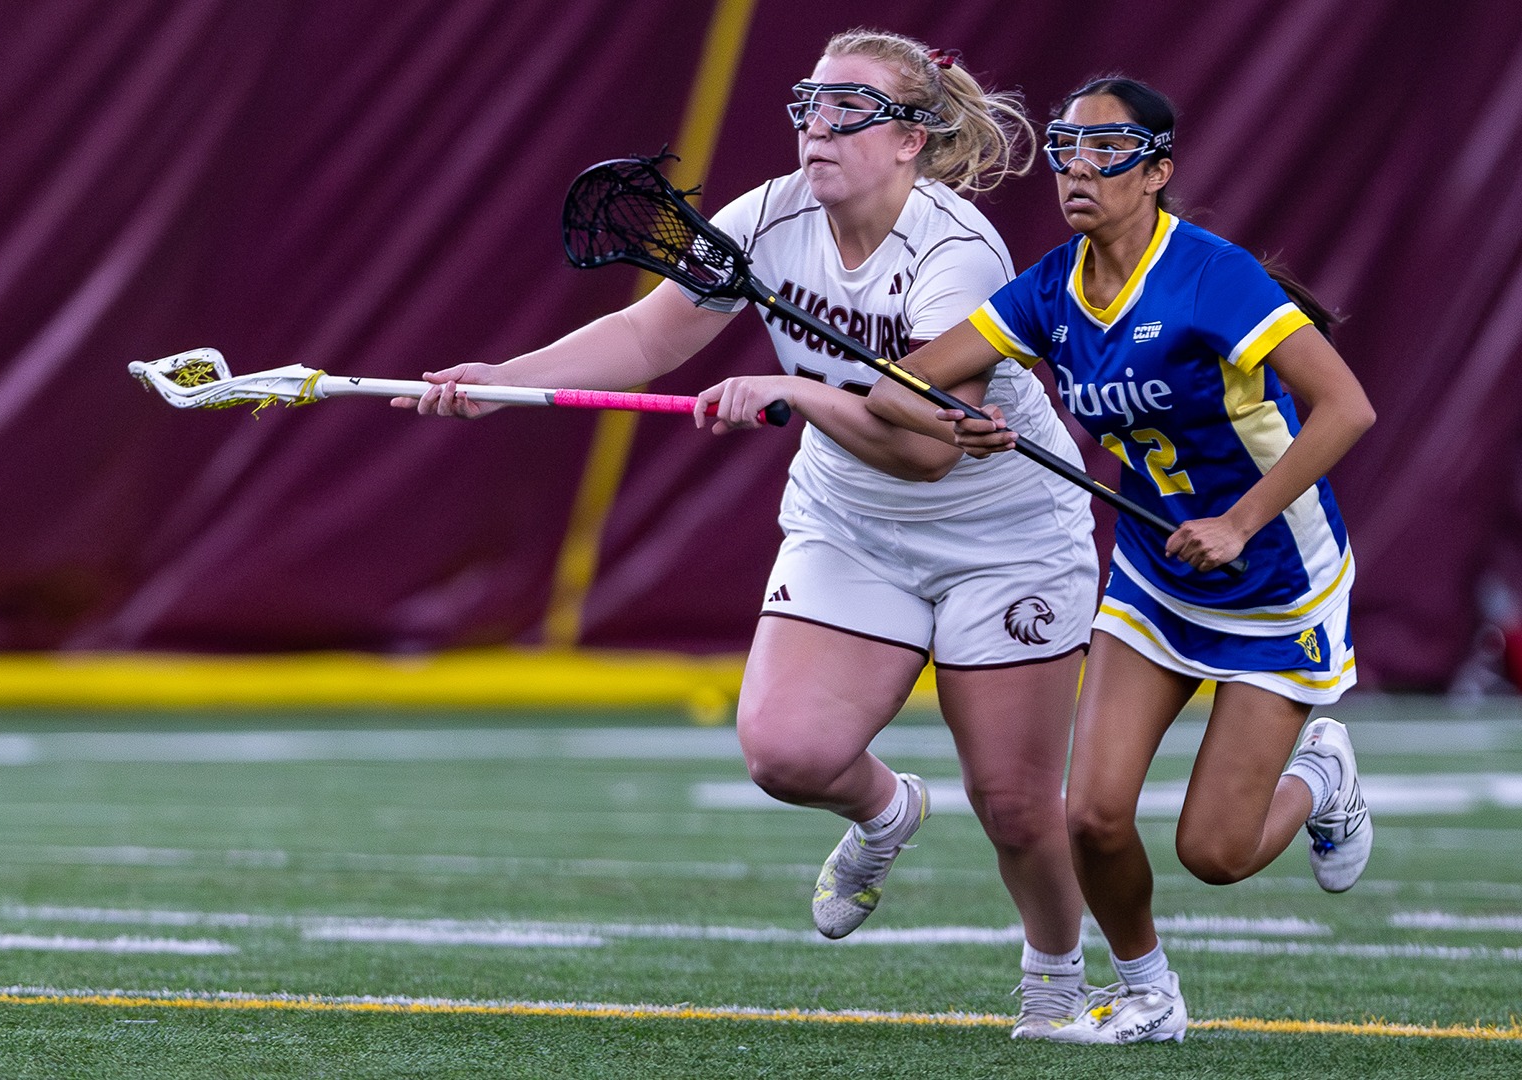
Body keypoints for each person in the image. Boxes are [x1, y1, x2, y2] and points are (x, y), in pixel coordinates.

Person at [401, 30, 1100, 1039]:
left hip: (1001, 533)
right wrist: (502, 382)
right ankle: (887, 812)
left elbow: (930, 454)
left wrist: (794, 391)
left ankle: (1055, 977)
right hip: (852, 519)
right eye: (810, 103)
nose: (819, 126)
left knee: (1017, 807)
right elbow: (649, 333)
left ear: (910, 139)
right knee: (787, 754)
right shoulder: (766, 217)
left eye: (850, 109)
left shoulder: (957, 256)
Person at [864, 76, 1377, 1045]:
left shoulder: (1211, 275)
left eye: (1107, 151)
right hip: (1152, 575)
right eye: (1066, 149)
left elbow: (1348, 408)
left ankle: (1322, 776)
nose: (1079, 169)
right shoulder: (1051, 289)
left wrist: (1240, 520)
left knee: (1216, 852)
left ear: (1157, 171)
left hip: (1276, 580)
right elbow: (898, 385)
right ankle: (1149, 993)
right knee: (1091, 817)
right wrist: (954, 421)